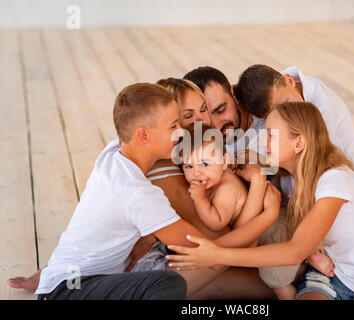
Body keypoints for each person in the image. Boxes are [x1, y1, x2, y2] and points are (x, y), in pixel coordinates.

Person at [184, 66, 354, 299]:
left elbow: (296, 250)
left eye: (270, 136)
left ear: (299, 144)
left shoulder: (335, 180)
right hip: (329, 274)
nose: (263, 143)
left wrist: (220, 254)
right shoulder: (292, 172)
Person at [31, 83, 280, 300]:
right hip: (72, 292)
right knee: (169, 283)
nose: (182, 132)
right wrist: (267, 215)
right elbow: (211, 255)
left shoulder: (114, 153)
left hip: (105, 279)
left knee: (262, 287)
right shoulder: (137, 193)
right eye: (173, 126)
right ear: (143, 135)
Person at [181, 124, 264, 232]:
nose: (196, 173)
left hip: (269, 233)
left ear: (224, 162)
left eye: (205, 164)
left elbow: (217, 223)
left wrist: (199, 199)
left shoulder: (226, 189)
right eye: (189, 166)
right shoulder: (216, 173)